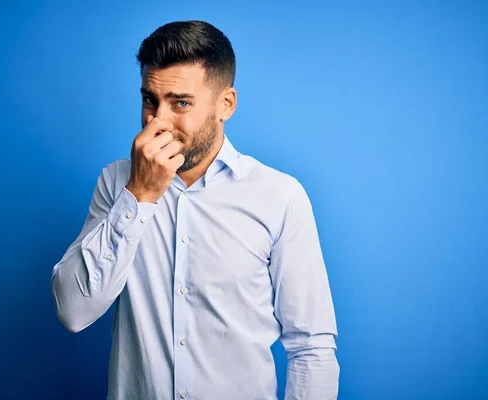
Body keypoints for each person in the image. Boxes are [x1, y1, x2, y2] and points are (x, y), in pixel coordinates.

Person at [51, 20, 339, 400]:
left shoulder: (279, 196)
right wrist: (139, 195)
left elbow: (311, 347)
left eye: (181, 103)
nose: (158, 121)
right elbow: (74, 311)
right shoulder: (116, 182)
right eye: (149, 100)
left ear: (226, 105)